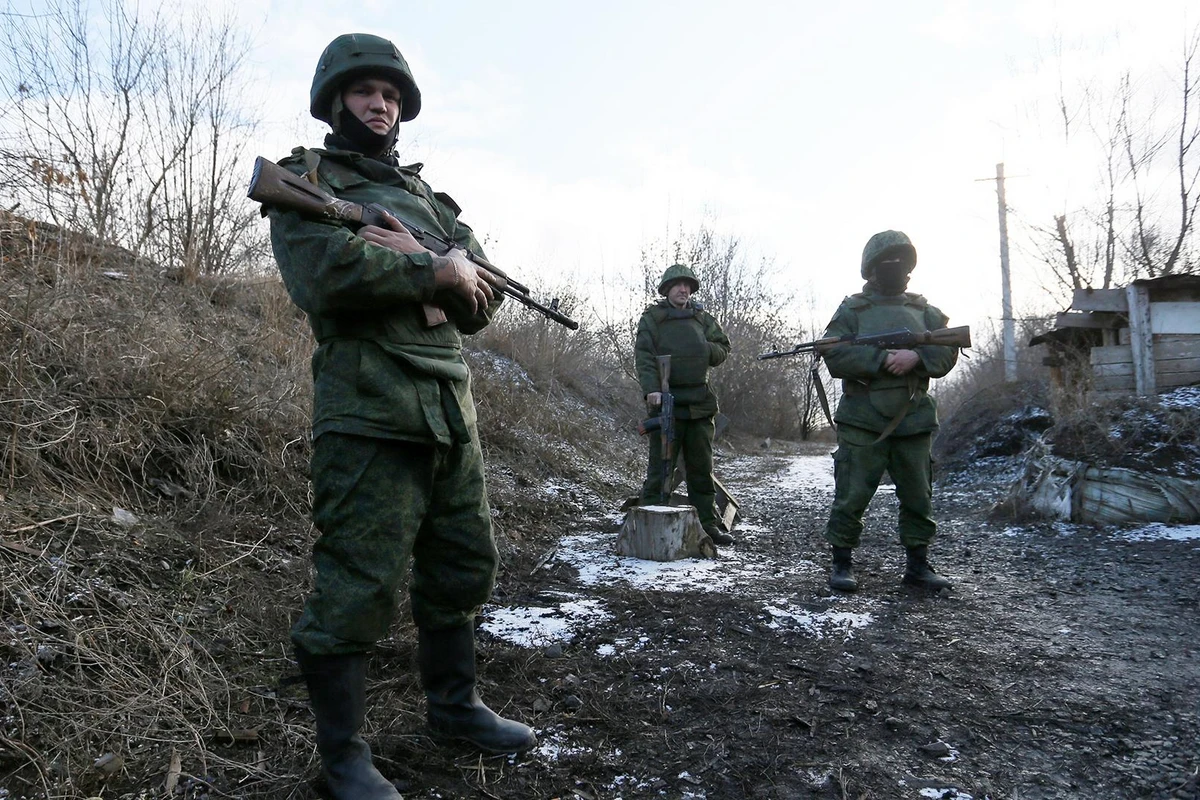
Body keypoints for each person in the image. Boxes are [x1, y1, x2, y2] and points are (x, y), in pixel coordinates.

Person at [265, 33, 535, 799]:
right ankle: (342, 759)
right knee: (356, 584)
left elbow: (479, 308)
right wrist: (431, 269)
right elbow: (324, 276)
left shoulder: (431, 204)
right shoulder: (306, 179)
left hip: (451, 411)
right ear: (333, 101)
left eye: (389, 94)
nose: (378, 103)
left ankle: (454, 708)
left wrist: (441, 264)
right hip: (368, 411)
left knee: (462, 566)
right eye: (362, 91)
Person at [820, 230, 959, 593]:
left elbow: (948, 351)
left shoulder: (924, 311)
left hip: (912, 418)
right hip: (863, 419)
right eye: (887, 262)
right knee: (851, 494)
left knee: (918, 495)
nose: (894, 268)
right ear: (870, 269)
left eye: (901, 261)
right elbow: (833, 353)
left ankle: (918, 565)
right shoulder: (852, 309)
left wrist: (917, 356)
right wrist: (881, 359)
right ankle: (842, 563)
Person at [635, 264, 733, 545]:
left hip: (700, 405)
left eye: (688, 286)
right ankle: (650, 523)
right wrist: (651, 389)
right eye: (678, 285)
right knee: (660, 470)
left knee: (701, 470)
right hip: (666, 404)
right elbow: (644, 355)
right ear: (666, 289)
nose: (683, 290)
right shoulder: (653, 319)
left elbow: (723, 348)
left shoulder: (702, 318)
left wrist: (704, 349)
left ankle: (707, 526)